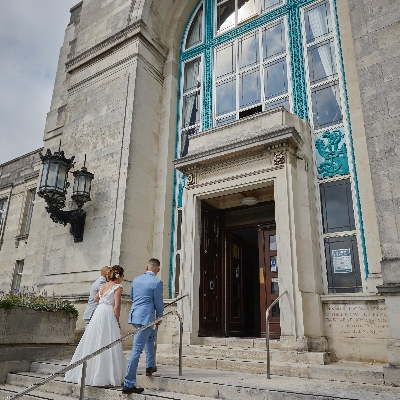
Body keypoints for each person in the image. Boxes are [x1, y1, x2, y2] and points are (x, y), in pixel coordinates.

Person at [65, 265, 127, 387]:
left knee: (94, 340)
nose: (123, 279)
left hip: (99, 312)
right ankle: (107, 375)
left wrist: (104, 300)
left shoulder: (103, 285)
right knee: (108, 340)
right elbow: (117, 306)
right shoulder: (117, 287)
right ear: (119, 276)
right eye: (123, 276)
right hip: (108, 313)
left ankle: (88, 373)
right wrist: (117, 320)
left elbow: (95, 298)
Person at [122, 258, 164, 394]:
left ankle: (150, 366)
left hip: (135, 315)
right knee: (136, 350)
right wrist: (159, 317)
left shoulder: (136, 279)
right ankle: (128, 384)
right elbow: (158, 303)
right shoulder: (157, 282)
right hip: (146, 318)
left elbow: (133, 296)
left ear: (147, 267)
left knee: (151, 337)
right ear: (158, 269)